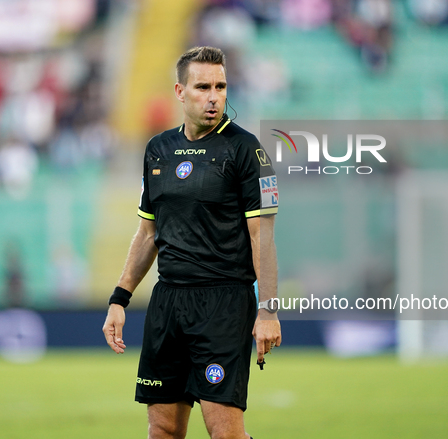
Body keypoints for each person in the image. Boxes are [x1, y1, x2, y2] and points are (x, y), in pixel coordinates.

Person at [102, 46, 281, 439]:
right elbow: (148, 232)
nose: (214, 96)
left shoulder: (245, 150)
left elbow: (262, 236)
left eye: (221, 86)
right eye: (203, 87)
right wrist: (119, 298)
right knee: (162, 429)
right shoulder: (158, 150)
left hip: (223, 303)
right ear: (181, 92)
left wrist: (267, 310)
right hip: (168, 304)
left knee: (225, 433)